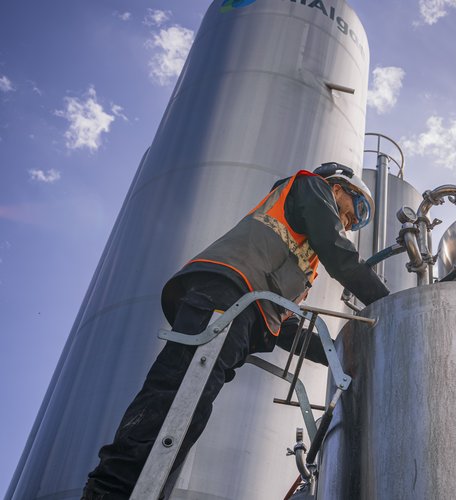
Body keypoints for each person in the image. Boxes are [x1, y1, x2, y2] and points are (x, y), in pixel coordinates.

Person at [81, 162, 389, 499]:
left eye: (358, 222)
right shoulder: (311, 188)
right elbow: (340, 255)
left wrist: (342, 358)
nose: (351, 223)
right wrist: (389, 307)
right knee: (175, 396)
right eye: (356, 210)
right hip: (227, 289)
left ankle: (145, 492)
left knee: (192, 411)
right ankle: (110, 491)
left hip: (245, 309)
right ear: (337, 188)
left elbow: (287, 327)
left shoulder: (304, 260)